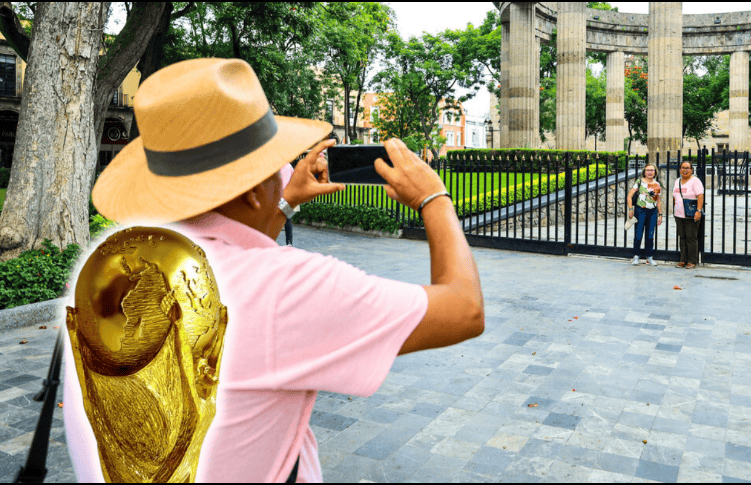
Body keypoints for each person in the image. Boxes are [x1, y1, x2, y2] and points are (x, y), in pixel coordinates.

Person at [63, 58, 484, 483]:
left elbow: (232, 247)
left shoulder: (112, 274)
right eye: (278, 163)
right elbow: (465, 309)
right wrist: (435, 198)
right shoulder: (288, 288)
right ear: (249, 190)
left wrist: (280, 204)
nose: (289, 170)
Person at [626, 163, 663, 266]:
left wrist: (660, 214)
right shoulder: (639, 182)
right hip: (640, 211)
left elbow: (658, 201)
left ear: (655, 172)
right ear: (644, 172)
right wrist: (630, 209)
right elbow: (629, 196)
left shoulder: (657, 184)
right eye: (648, 170)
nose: (650, 172)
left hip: (652, 212)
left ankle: (649, 257)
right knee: (638, 234)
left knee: (650, 235)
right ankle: (636, 256)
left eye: (652, 170)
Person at [673, 160, 704, 268]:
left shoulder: (695, 181)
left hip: (691, 213)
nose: (684, 170)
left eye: (687, 168)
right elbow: (674, 196)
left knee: (691, 238)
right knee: (682, 237)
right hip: (679, 214)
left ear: (691, 170)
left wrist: (698, 211)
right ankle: (683, 259)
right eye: (682, 167)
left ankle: (692, 261)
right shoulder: (677, 181)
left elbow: (700, 196)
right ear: (680, 169)